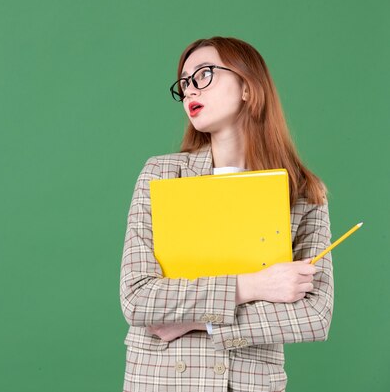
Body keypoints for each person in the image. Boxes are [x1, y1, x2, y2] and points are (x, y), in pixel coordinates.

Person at [119, 36, 333, 392]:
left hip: (249, 383)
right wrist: (254, 286)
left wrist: (196, 322)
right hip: (161, 381)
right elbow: (138, 298)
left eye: (203, 74)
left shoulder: (303, 193)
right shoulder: (161, 174)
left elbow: (314, 317)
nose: (189, 90)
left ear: (248, 87)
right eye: (184, 83)